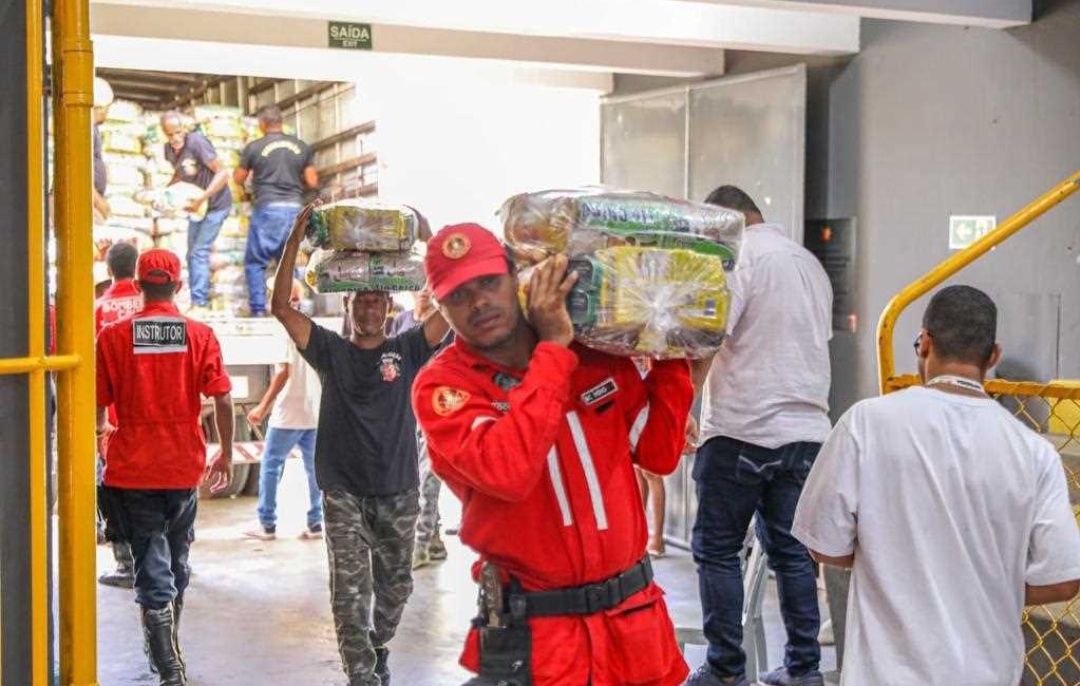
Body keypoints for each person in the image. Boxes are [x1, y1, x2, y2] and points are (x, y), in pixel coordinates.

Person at [411, 223, 694, 686]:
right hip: (540, 645)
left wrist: (670, 349)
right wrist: (552, 351)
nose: (478, 301)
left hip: (634, 629)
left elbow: (659, 455)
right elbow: (508, 471)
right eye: (458, 295)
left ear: (517, 276)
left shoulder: (597, 356)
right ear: (440, 309)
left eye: (488, 282)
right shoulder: (444, 386)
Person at [793, 285, 1080, 686]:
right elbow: (1064, 578)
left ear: (925, 343)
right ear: (993, 355)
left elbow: (823, 545)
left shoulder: (867, 423)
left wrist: (895, 567)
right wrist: (984, 581)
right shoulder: (1034, 452)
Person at [270, 204, 450, 686]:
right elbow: (282, 309)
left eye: (377, 302)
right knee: (348, 596)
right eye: (360, 302)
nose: (369, 309)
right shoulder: (331, 351)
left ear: (388, 309)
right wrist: (293, 241)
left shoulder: (408, 350)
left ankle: (378, 644)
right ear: (347, 307)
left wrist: (432, 244)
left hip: (398, 491)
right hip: (343, 492)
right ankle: (364, 677)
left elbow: (451, 306)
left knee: (395, 590)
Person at [686, 186, 832, 686]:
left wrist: (682, 408)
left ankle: (726, 668)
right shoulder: (809, 264)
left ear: (726, 221)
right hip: (807, 431)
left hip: (741, 430)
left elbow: (709, 338)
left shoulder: (739, 258)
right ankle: (803, 668)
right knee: (792, 555)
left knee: (716, 548)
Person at [96, 248, 234, 686]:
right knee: (177, 562)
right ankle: (169, 650)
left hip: (132, 468)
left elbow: (97, 404)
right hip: (181, 467)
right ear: (177, 286)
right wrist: (226, 451)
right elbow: (223, 397)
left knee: (152, 565)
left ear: (137, 287)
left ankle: (168, 664)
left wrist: (102, 435)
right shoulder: (200, 334)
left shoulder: (113, 336)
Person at [244, 279, 324, 541]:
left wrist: (263, 407)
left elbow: (282, 373)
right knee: (314, 468)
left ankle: (267, 524)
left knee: (270, 465)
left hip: (289, 411)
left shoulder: (284, 328)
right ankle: (315, 523)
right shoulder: (311, 326)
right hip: (312, 410)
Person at [233, 105, 318, 317]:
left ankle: (259, 310)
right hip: (294, 211)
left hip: (268, 210)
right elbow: (312, 180)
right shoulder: (301, 146)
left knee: (256, 262)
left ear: (262, 124)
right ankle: (296, 308)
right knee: (291, 262)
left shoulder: (254, 147)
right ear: (281, 122)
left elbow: (238, 179)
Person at [94, 242, 144, 588]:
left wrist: (99, 423)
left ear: (108, 270)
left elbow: (95, 369)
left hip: (113, 417)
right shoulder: (151, 303)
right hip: (151, 409)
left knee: (114, 488)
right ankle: (167, 557)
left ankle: (126, 563)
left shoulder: (98, 309)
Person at [160, 111, 233, 315]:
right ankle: (198, 300)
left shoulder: (197, 143)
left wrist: (203, 198)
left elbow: (223, 173)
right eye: (170, 134)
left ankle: (200, 303)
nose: (175, 138)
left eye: (178, 132)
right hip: (197, 208)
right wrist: (164, 192)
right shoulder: (169, 150)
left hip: (216, 204)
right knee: (191, 253)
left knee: (199, 252)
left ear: (184, 129)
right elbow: (179, 172)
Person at [93, 77, 113, 223]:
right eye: (108, 107)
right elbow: (78, 171)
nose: (108, 112)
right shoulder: (86, 129)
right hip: (87, 201)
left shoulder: (93, 129)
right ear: (99, 107)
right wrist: (99, 202)